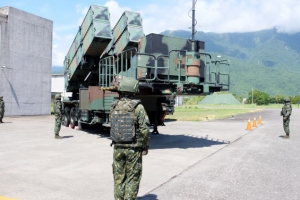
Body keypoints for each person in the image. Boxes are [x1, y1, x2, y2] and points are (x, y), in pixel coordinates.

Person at [110, 77, 150, 200]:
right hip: (133, 149)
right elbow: (144, 129)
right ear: (134, 90)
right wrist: (145, 146)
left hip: (117, 147)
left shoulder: (114, 105)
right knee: (133, 178)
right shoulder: (138, 107)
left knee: (118, 178)